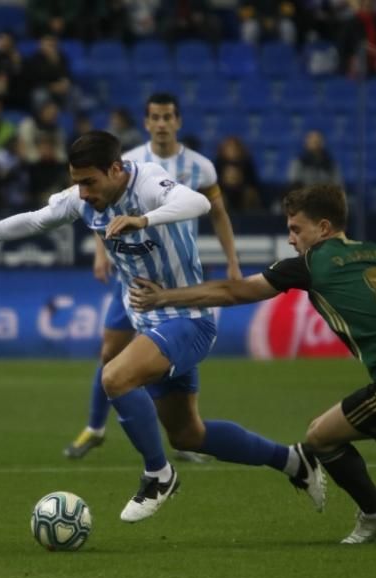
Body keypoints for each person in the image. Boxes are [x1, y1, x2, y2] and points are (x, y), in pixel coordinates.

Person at [0, 130, 324, 522]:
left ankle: (159, 475)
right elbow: (34, 221)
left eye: (89, 182)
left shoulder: (148, 182)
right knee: (188, 435)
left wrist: (142, 219)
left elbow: (198, 203)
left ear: (116, 169)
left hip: (189, 319)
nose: (83, 193)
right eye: (76, 183)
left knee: (115, 376)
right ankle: (292, 460)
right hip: (150, 322)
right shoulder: (84, 200)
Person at [129, 183, 376, 543]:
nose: (291, 239)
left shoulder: (312, 264)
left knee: (320, 437)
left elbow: (232, 290)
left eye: (295, 229)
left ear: (322, 228)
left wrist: (164, 298)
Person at [64, 93, 243, 464]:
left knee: (175, 352)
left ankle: (182, 437)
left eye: (167, 117)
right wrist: (101, 253)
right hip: (132, 274)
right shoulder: (129, 162)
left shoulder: (201, 168)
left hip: (178, 274)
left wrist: (232, 261)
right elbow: (99, 206)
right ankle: (95, 428)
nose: (161, 123)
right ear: (146, 123)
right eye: (154, 117)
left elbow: (219, 214)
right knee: (111, 352)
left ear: (178, 121)